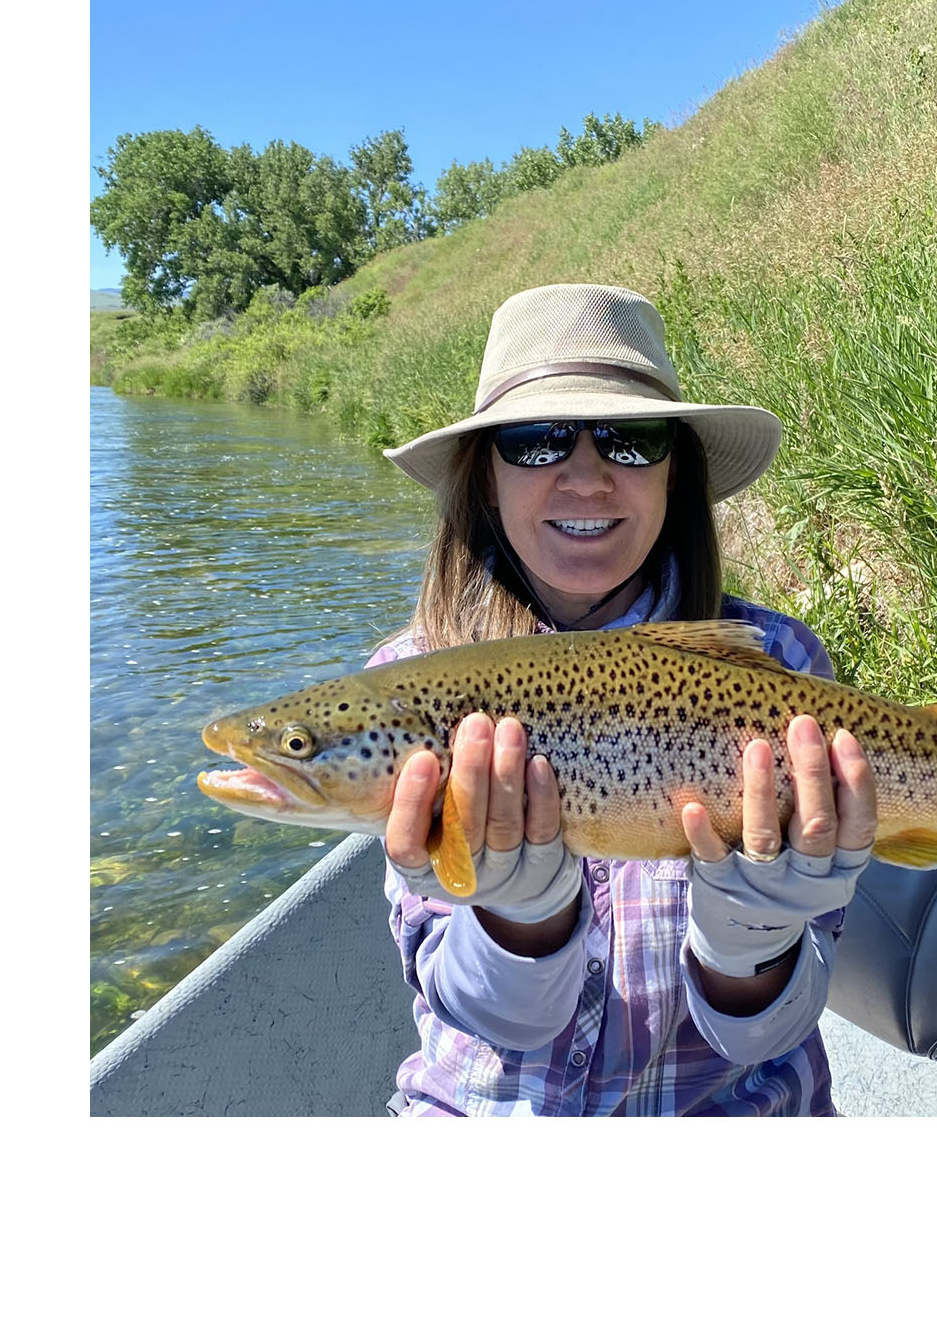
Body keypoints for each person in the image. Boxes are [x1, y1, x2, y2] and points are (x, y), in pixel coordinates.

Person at [368, 282, 878, 1115]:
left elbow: (765, 1038)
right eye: (534, 442)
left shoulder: (782, 666)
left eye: (631, 439)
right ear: (485, 477)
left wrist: (752, 938)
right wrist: (516, 922)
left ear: (676, 472)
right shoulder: (414, 682)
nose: (586, 477)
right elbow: (482, 1016)